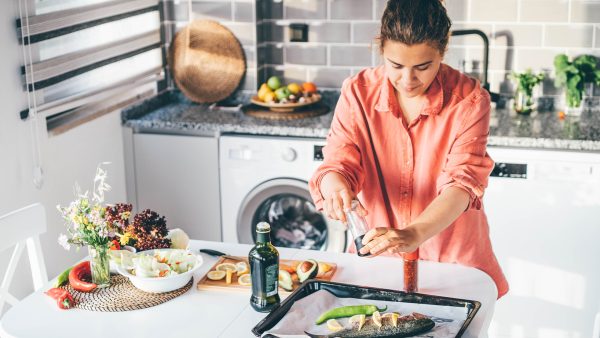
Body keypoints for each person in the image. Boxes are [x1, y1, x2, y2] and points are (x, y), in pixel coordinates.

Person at [308, 0, 508, 298]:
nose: (408, 80)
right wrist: (334, 185)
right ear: (382, 48)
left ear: (443, 50)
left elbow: (462, 184)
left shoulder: (469, 99)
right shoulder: (358, 91)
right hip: (379, 258)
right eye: (396, 65)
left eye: (423, 67)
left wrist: (414, 234)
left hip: (451, 257)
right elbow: (339, 160)